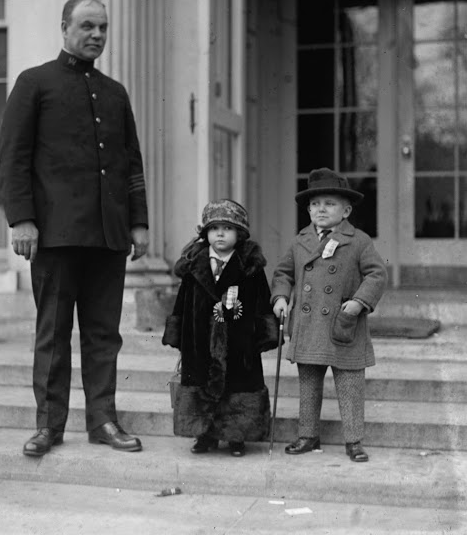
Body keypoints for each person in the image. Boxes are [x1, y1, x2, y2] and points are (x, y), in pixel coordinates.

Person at [0, 0, 149, 457]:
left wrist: (138, 223)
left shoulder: (115, 92)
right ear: (64, 28)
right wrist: (22, 219)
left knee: (104, 335)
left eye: (103, 27)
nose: (97, 35)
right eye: (87, 26)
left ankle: (103, 421)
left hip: (108, 235)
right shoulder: (34, 83)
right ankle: (49, 426)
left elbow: (131, 163)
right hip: (55, 235)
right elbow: (12, 158)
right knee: (53, 333)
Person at [271, 168, 387, 463]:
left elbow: (376, 274)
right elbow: (283, 272)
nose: (320, 209)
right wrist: (281, 297)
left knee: (350, 385)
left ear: (346, 211)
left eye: (330, 204)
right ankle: (308, 435)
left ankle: (354, 441)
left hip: (343, 323)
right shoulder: (300, 241)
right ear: (308, 210)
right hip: (309, 325)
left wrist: (359, 302)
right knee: (309, 385)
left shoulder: (358, 240)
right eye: (315, 204)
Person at [162, 199, 279, 457]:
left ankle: (237, 436)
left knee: (238, 385)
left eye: (228, 228)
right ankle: (204, 435)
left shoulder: (250, 266)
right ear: (206, 234)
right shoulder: (194, 265)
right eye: (214, 229)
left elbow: (261, 300)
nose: (220, 234)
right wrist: (177, 332)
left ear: (240, 234)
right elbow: (182, 302)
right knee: (201, 382)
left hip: (240, 341)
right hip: (199, 339)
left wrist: (265, 332)